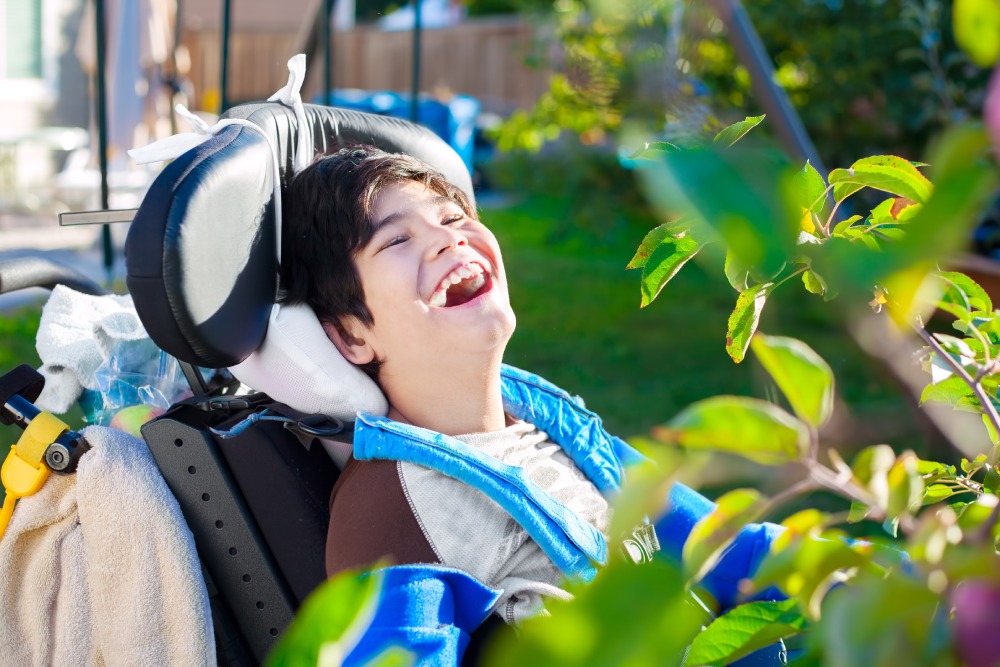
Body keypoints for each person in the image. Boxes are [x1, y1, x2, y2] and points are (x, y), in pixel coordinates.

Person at [280, 146, 784, 665]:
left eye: (453, 217)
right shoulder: (392, 508)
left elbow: (723, 549)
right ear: (350, 336)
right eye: (398, 239)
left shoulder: (552, 426)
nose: (447, 237)